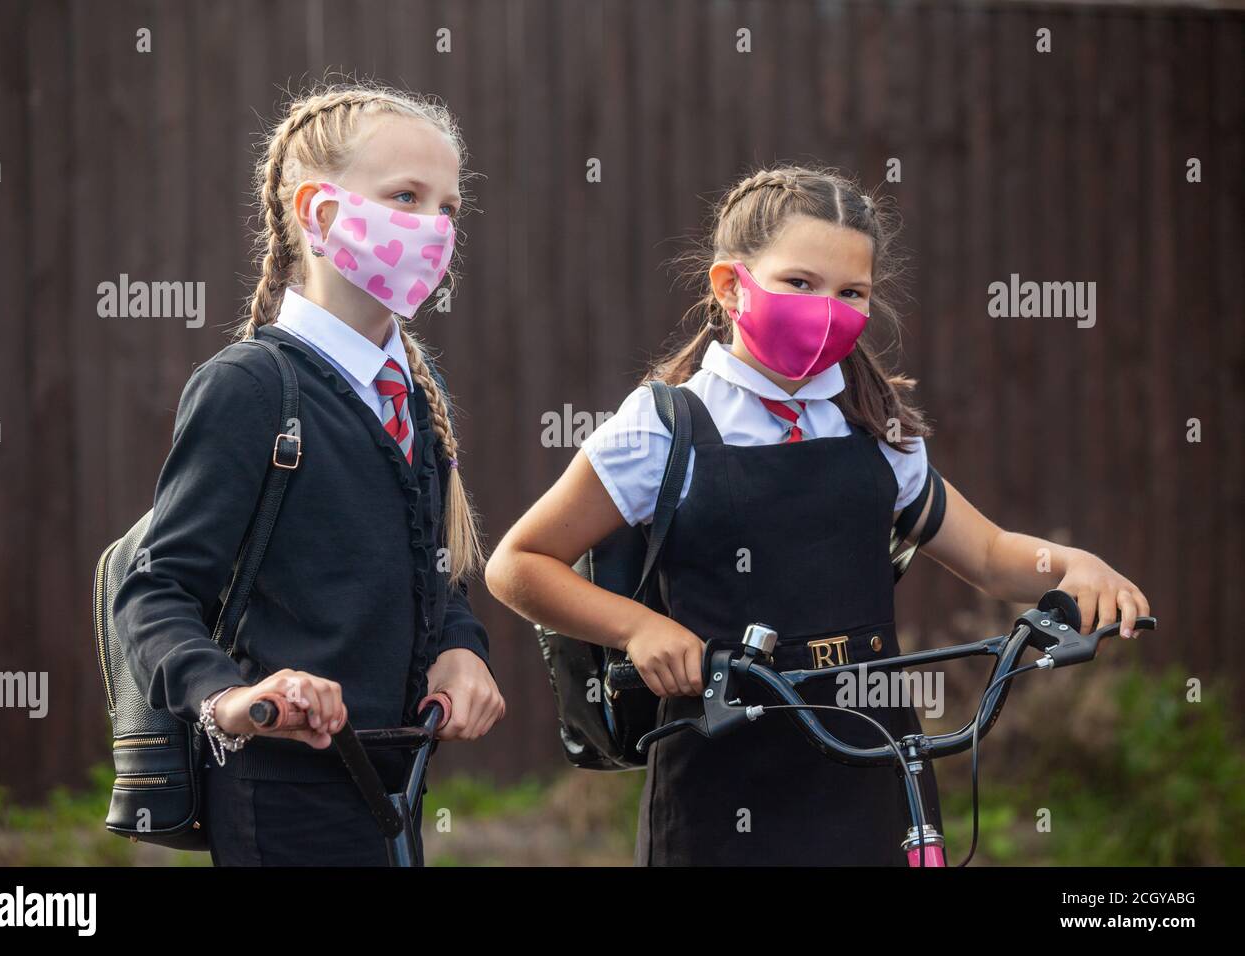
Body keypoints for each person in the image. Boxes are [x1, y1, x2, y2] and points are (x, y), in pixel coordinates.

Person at [485, 165, 1150, 866]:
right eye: (800, 283)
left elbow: (987, 556)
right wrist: (640, 627)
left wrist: (1074, 564)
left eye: (850, 293)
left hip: (875, 761)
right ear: (730, 286)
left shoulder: (873, 424)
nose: (826, 307)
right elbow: (518, 565)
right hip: (721, 771)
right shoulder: (664, 425)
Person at [114, 82, 505, 866]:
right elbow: (153, 595)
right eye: (405, 196)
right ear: (320, 215)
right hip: (279, 801)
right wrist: (235, 698)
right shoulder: (250, 388)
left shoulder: (413, 396)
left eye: (448, 208)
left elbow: (434, 576)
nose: (434, 227)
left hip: (396, 791)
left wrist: (462, 648)